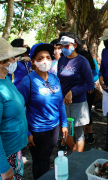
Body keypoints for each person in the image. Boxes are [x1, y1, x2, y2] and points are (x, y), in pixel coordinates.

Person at [17, 43, 68, 180]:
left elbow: (60, 102)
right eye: (40, 58)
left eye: (47, 57)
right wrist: (27, 133)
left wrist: (64, 123)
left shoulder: (54, 78)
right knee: (40, 162)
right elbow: (19, 109)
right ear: (33, 61)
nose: (45, 61)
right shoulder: (27, 82)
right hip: (37, 131)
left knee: (48, 158)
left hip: (54, 127)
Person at [57, 32, 94, 152]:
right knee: (66, 130)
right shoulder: (61, 60)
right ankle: (73, 150)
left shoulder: (82, 61)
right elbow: (60, 80)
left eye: (67, 46)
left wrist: (72, 92)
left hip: (78, 102)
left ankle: (77, 160)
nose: (64, 49)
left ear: (75, 45)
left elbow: (90, 84)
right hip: (64, 103)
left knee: (78, 132)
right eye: (62, 46)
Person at [0, 38, 28, 180]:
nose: (15, 61)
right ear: (1, 62)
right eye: (12, 58)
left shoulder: (5, 80)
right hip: (5, 155)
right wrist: (4, 168)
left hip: (13, 151)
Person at [81, 40, 99, 144]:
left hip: (90, 90)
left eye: (85, 48)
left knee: (87, 112)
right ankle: (82, 135)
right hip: (79, 91)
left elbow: (97, 74)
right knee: (80, 113)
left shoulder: (92, 61)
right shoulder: (75, 61)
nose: (84, 50)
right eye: (81, 48)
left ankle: (90, 134)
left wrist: (90, 83)